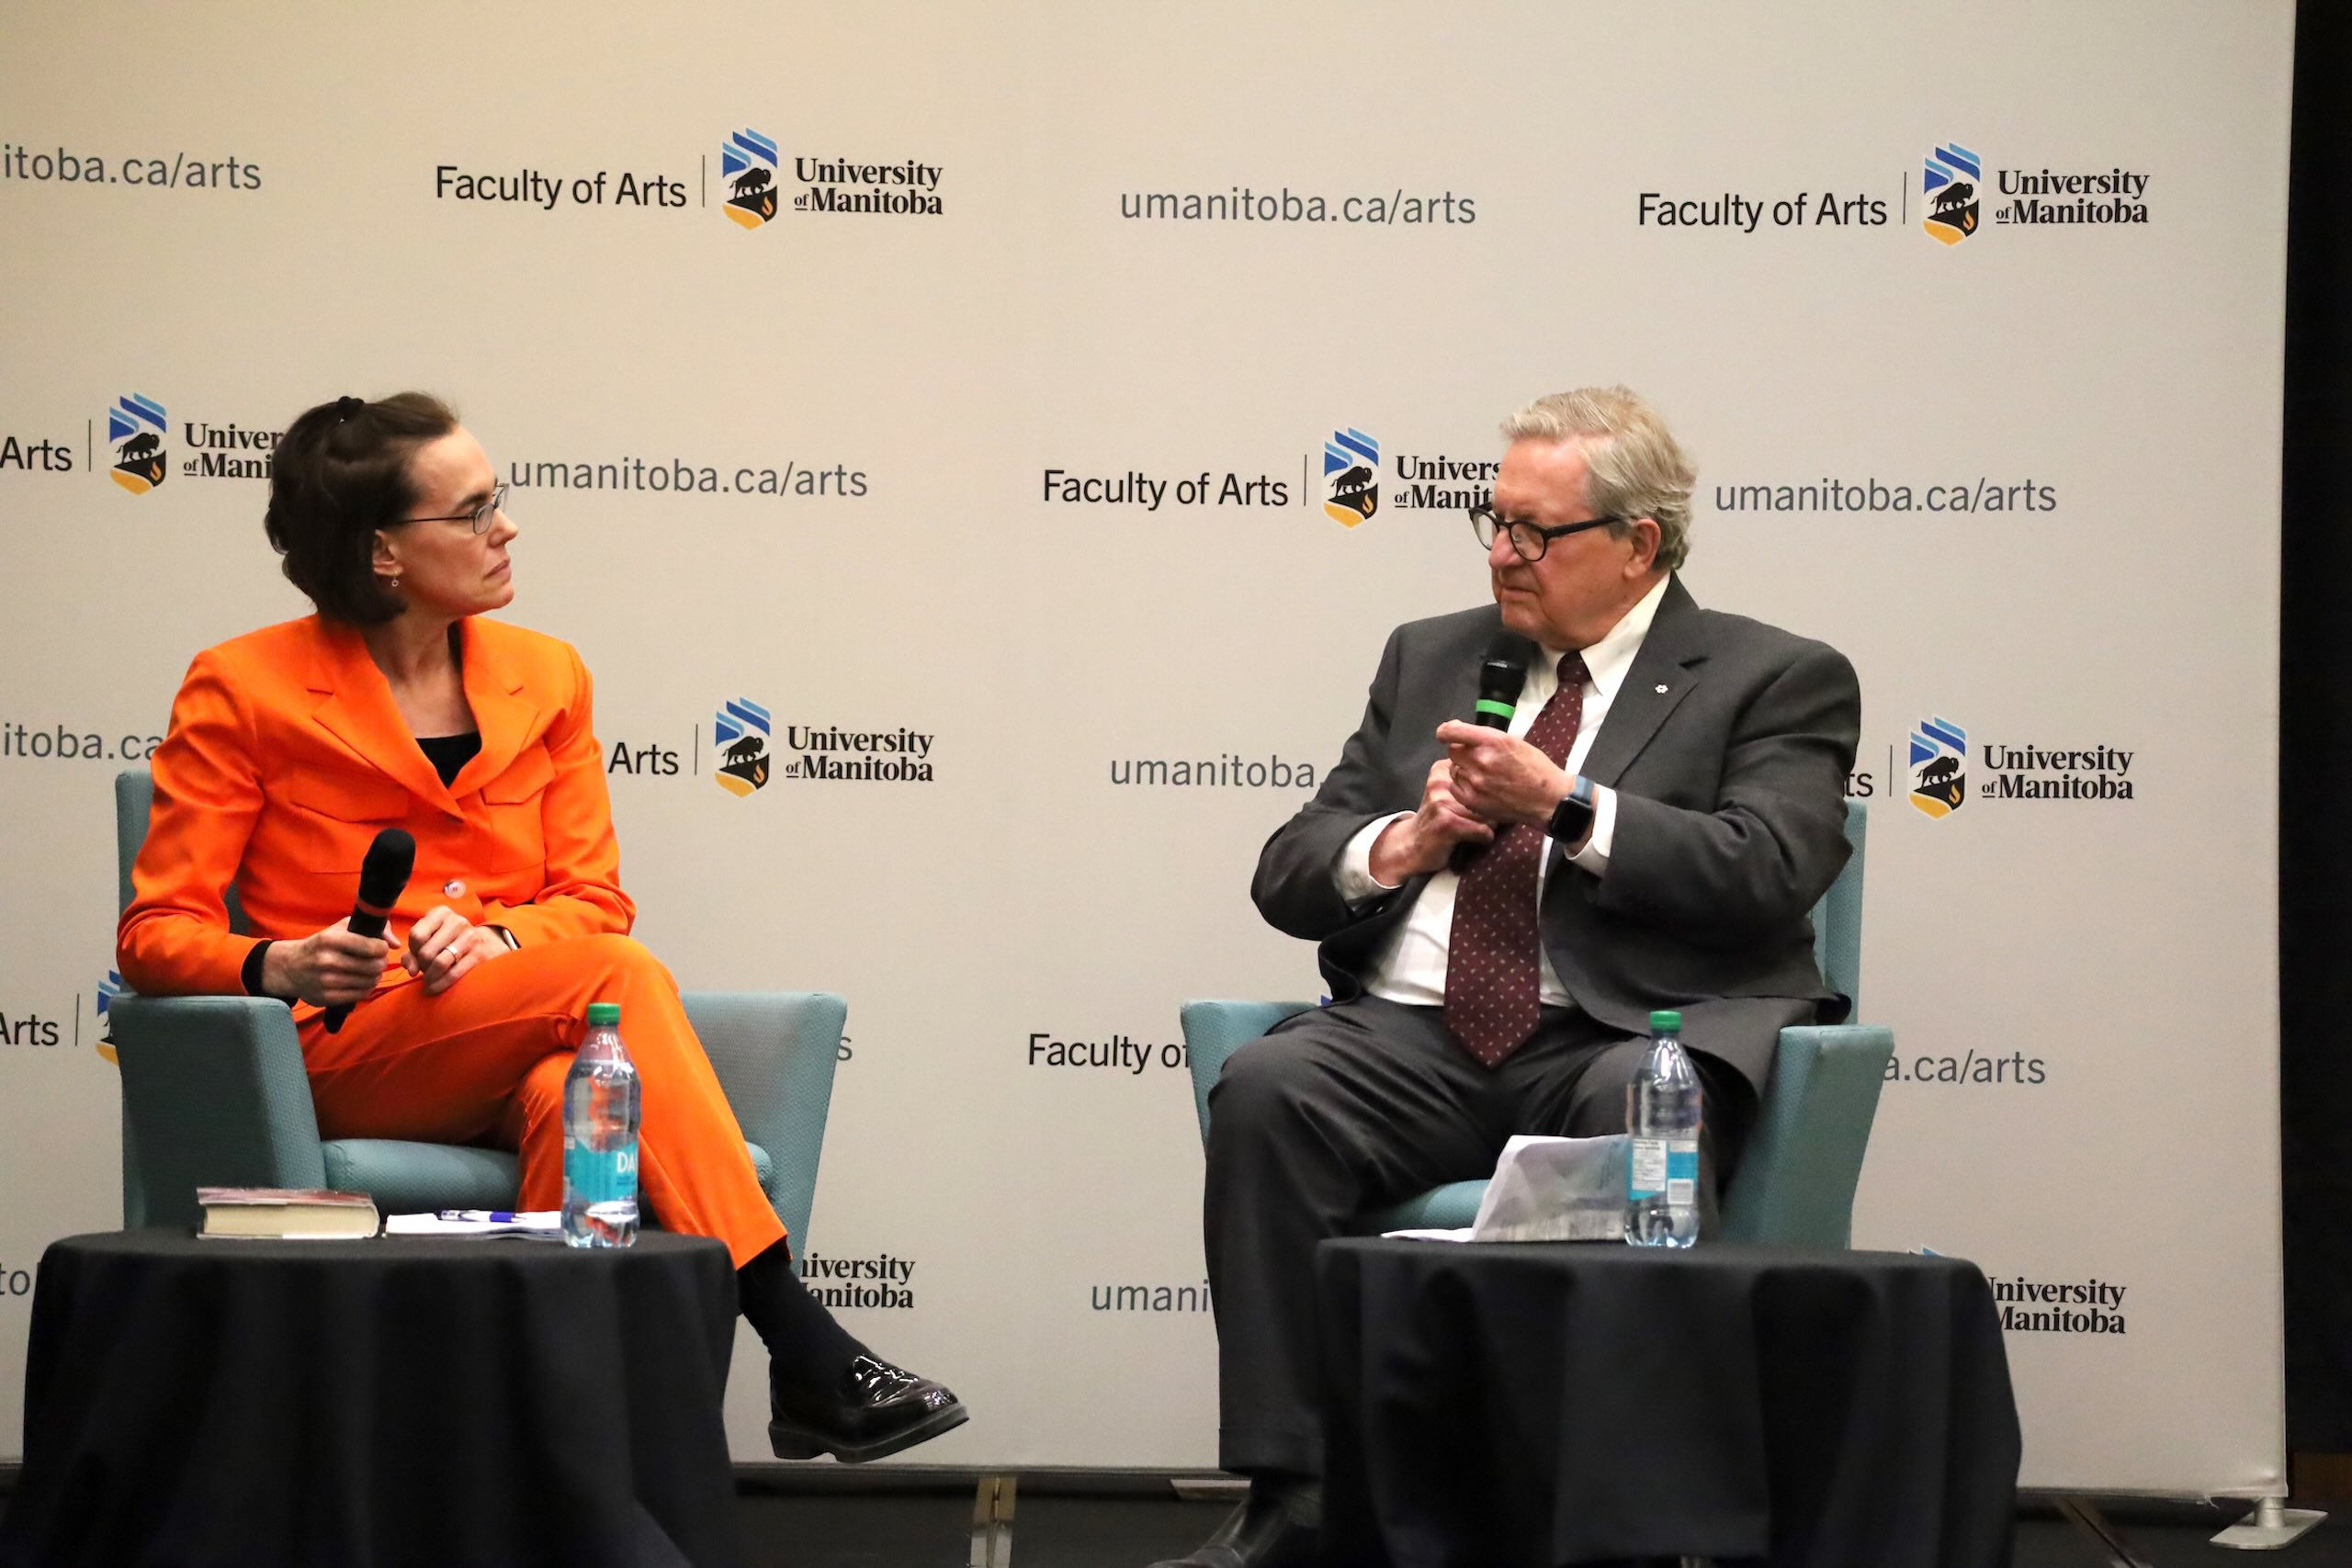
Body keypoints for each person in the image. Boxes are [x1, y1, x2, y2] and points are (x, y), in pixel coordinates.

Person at [117, 391, 966, 1464]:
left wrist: (505, 942)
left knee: (581, 1097)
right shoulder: (244, 687)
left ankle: (543, 1458)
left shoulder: (547, 674)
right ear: (383, 551)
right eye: (470, 512)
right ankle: (794, 1333)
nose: (504, 528)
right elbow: (154, 933)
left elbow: (592, 899)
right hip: (343, 1051)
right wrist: (277, 958)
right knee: (608, 981)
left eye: (497, 501)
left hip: (521, 1022)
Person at [1153, 386, 1860, 1568]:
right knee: (1272, 1092)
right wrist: (1403, 844)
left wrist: (1566, 805)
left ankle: (1596, 1521)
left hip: (1621, 1034)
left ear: (1639, 544)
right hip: (1410, 1041)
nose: (1503, 553)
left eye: (1537, 532)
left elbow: (1767, 869)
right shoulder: (1432, 655)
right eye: (1492, 522)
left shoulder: (1772, 675)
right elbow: (1289, 873)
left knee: (1642, 1107)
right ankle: (1299, 1500)